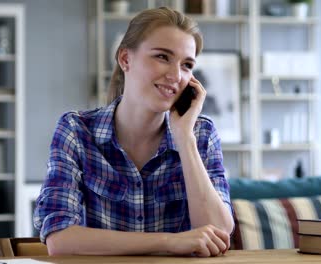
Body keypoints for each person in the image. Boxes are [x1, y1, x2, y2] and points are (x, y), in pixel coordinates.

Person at [33, 6, 234, 257]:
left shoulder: (201, 134)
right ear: (126, 59)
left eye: (187, 65)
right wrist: (169, 242)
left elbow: (218, 234)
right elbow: (60, 239)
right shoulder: (76, 131)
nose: (175, 75)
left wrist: (184, 138)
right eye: (162, 57)